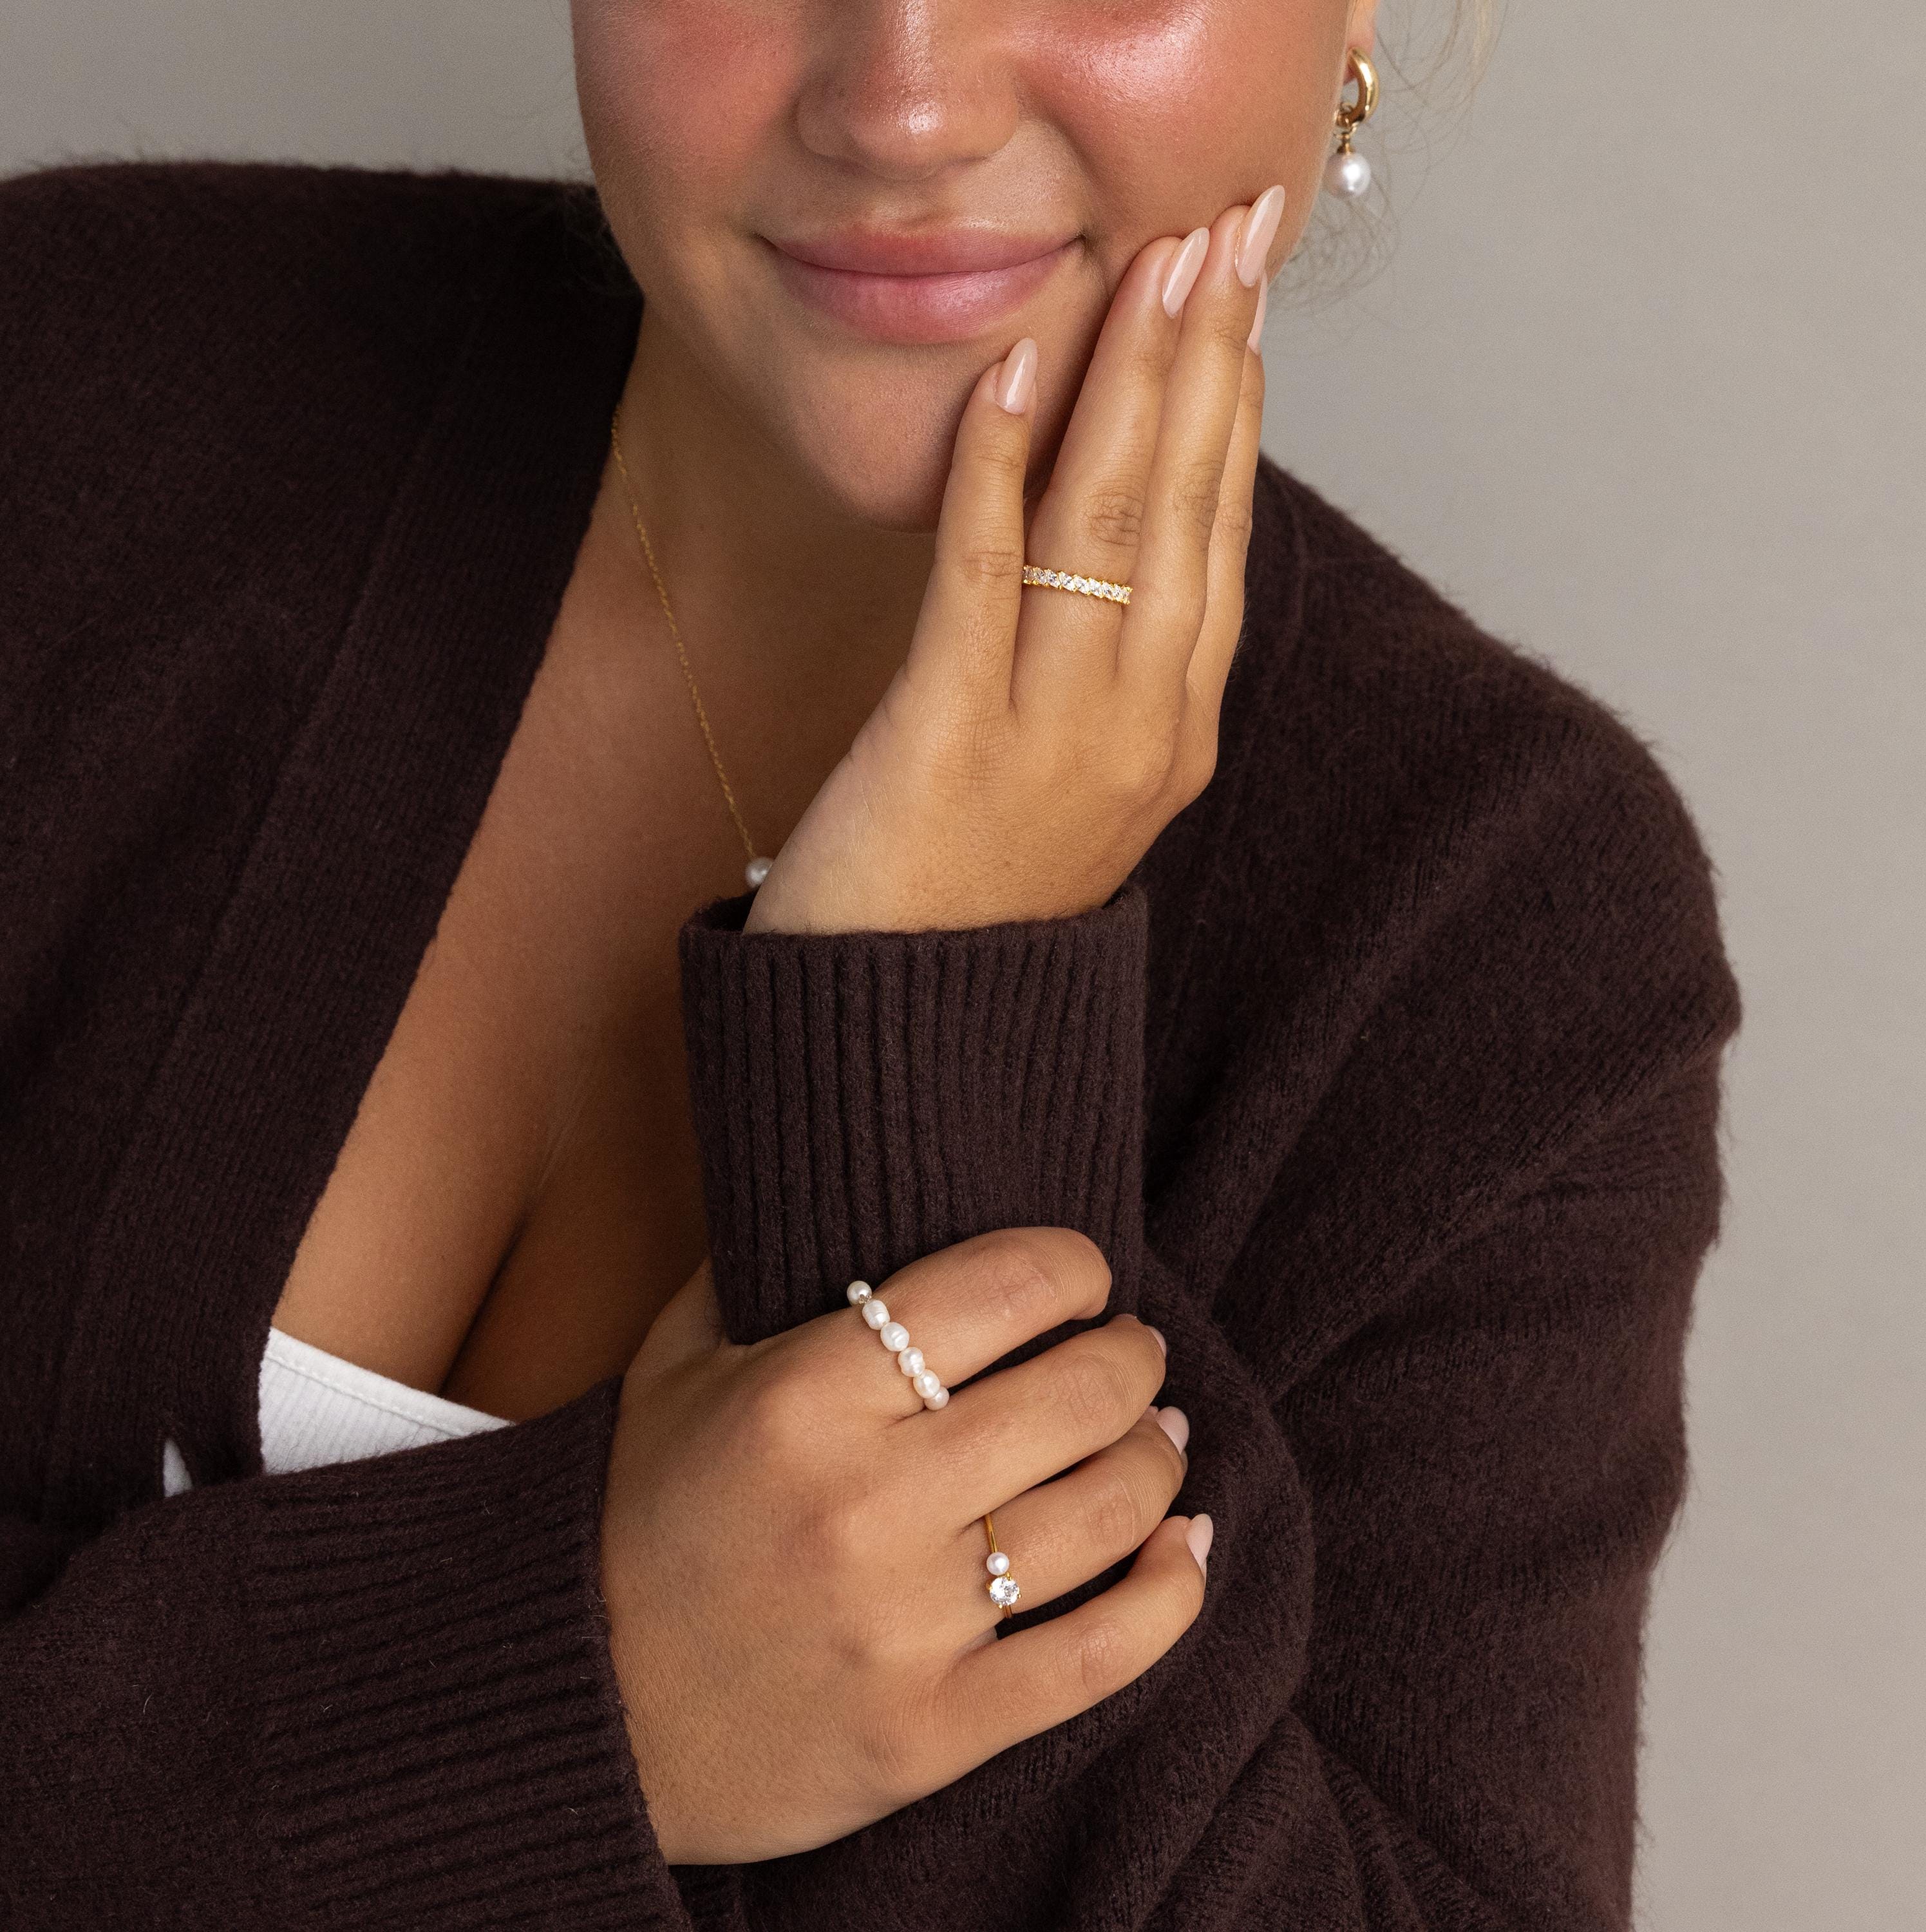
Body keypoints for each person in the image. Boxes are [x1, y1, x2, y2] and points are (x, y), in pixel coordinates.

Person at [0, 1, 1741, 1926]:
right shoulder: (70, 389)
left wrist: (933, 1025)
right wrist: (562, 1696)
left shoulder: (1496, 937)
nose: (902, 103)